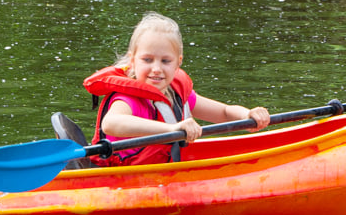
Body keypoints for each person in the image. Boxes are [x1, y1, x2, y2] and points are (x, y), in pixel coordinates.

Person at [82, 12, 270, 166]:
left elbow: (224, 112)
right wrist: (172, 128)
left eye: (165, 61)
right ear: (132, 61)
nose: (156, 68)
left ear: (177, 63)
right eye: (147, 60)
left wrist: (248, 116)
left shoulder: (176, 94)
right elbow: (111, 123)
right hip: (120, 178)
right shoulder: (128, 100)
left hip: (159, 173)